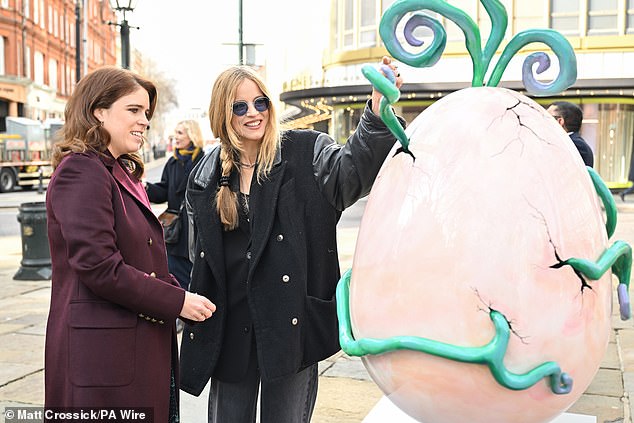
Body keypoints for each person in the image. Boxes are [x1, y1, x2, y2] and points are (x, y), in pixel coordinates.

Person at [179, 57, 404, 422]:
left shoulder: (306, 151)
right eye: (240, 106)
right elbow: (199, 254)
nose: (254, 113)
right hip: (230, 327)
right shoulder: (204, 175)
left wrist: (376, 108)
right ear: (222, 114)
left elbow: (353, 171)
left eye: (260, 102)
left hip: (289, 324)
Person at [44, 66, 216, 423]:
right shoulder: (82, 170)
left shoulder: (116, 170)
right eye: (133, 110)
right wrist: (177, 300)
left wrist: (181, 293)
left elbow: (141, 257)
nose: (144, 121)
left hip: (125, 351)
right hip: (102, 361)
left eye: (146, 113)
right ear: (98, 111)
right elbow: (98, 267)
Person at [145, 119, 205, 292]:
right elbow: (163, 191)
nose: (175, 138)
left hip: (197, 229)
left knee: (198, 277)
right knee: (178, 279)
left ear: (191, 135)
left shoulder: (204, 160)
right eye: (175, 133)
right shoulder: (172, 163)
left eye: (180, 133)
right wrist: (145, 187)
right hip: (176, 232)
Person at [547, 101, 594, 167]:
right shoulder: (573, 142)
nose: (544, 122)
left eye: (547, 118)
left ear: (560, 121)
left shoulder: (575, 145)